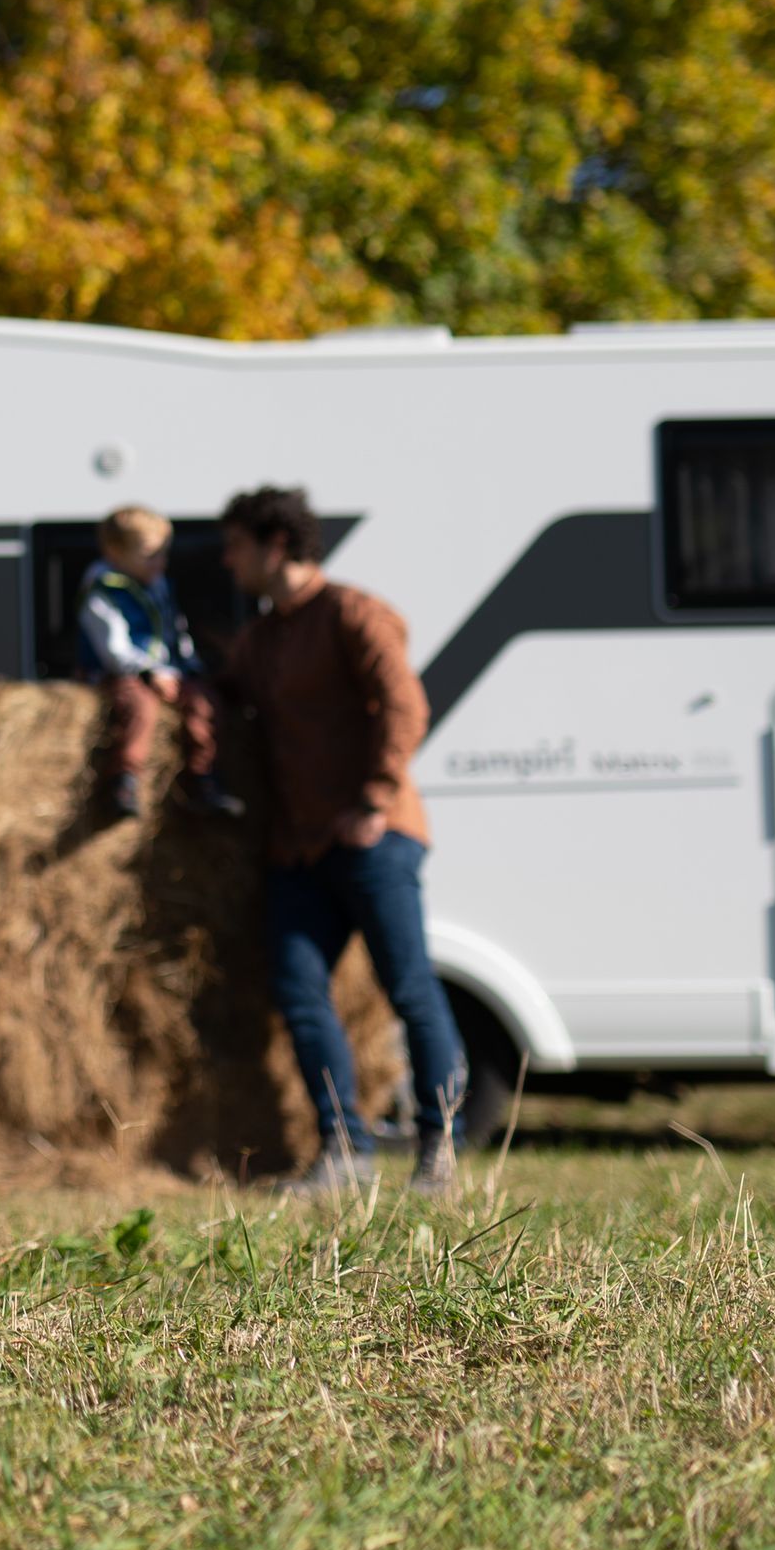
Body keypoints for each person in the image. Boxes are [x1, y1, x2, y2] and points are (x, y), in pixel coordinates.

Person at [213, 484, 469, 1195]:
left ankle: (438, 1148)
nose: (228, 563)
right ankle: (343, 1151)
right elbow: (228, 696)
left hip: (373, 837)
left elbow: (404, 705)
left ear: (275, 545)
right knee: (299, 992)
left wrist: (375, 798)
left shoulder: (354, 613)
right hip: (298, 850)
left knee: (409, 990)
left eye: (235, 546)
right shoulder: (262, 638)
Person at [77, 505, 244, 821]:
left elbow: (173, 628)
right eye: (149, 555)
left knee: (203, 702)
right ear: (115, 552)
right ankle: (124, 780)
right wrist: (148, 672)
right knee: (141, 709)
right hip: (116, 671)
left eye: (163, 553)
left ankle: (203, 776)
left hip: (164, 670)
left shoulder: (158, 583)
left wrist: (187, 664)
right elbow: (112, 645)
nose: (160, 562)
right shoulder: (102, 589)